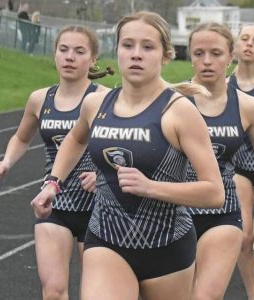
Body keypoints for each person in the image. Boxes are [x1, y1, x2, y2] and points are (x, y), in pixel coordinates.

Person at [31, 11, 225, 300]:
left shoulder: (179, 112)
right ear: (117, 49)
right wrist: (53, 183)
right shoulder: (95, 104)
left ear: (166, 55)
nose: (136, 55)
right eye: (128, 45)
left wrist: (151, 187)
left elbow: (214, 193)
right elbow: (73, 140)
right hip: (106, 241)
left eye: (147, 47)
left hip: (166, 248)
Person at [0, 25, 113, 300]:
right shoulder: (40, 98)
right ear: (54, 54)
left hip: (98, 206)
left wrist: (104, 173)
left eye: (79, 51)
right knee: (53, 292)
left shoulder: (105, 98)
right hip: (55, 202)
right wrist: (7, 162)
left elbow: (124, 147)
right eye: (63, 49)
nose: (70, 57)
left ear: (93, 59)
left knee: (97, 294)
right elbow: (21, 138)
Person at [186, 22, 254, 300]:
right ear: (190, 56)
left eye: (216, 53)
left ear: (231, 56)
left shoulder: (248, 107)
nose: (207, 61)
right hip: (174, 212)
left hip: (223, 209)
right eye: (199, 53)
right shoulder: (170, 100)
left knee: (206, 296)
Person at [229, 24, 254, 300]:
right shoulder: (224, 83)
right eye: (245, 39)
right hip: (239, 168)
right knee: (243, 238)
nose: (250, 44)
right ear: (236, 45)